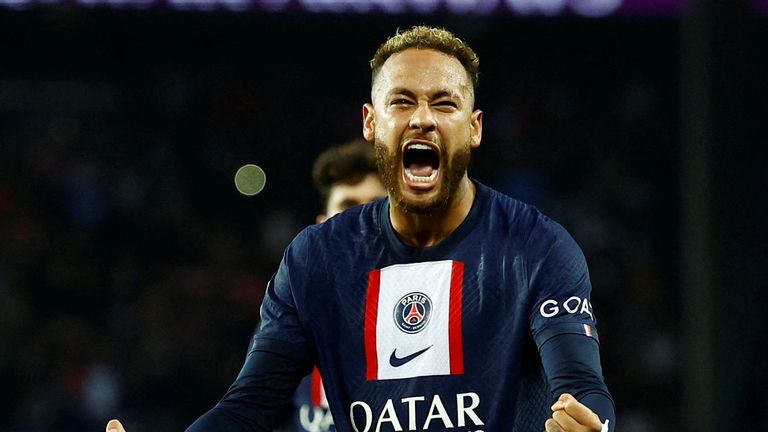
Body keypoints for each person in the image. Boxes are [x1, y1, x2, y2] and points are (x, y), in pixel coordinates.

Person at [107, 25, 615, 432]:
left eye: (444, 103)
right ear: (371, 123)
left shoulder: (537, 247)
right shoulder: (317, 258)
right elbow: (249, 408)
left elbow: (581, 385)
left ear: (474, 127)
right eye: (402, 102)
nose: (422, 119)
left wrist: (593, 426)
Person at [291, 139, 386, 432]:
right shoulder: (288, 319)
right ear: (321, 227)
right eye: (347, 207)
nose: (360, 221)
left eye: (376, 207)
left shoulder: (449, 314)